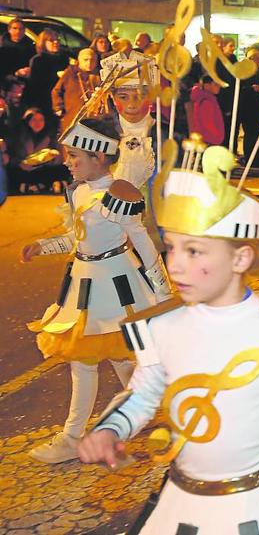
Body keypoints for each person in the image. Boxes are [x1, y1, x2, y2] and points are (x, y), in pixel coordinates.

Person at [78, 137, 259, 534]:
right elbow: (142, 394)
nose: (174, 265)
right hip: (183, 503)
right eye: (172, 248)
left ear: (240, 258)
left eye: (194, 252)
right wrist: (111, 428)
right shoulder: (163, 326)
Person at [22, 117, 170, 464]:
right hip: (84, 284)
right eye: (69, 156)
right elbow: (80, 239)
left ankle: (77, 435)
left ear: (100, 158)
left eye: (75, 156)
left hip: (117, 285)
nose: (68, 162)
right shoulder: (80, 191)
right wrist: (45, 245)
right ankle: (138, 407)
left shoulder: (117, 195)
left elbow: (142, 241)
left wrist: (163, 292)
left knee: (99, 360)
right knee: (109, 358)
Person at [99, 48, 160, 190]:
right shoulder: (102, 133)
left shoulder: (165, 133)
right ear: (113, 99)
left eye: (139, 96)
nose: (131, 105)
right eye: (123, 97)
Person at [6, 107, 69, 193]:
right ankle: (38, 185)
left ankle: (37, 185)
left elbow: (58, 157)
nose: (38, 123)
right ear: (27, 121)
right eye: (34, 120)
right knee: (13, 173)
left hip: (43, 168)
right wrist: (20, 163)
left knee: (61, 169)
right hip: (24, 170)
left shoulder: (50, 136)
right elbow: (10, 156)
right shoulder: (18, 136)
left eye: (41, 120)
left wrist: (53, 158)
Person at [51, 48, 101, 134]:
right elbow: (56, 91)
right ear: (80, 60)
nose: (89, 63)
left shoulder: (98, 76)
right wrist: (58, 108)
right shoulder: (70, 73)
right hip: (71, 116)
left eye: (92, 60)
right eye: (86, 60)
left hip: (92, 119)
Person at [22, 29, 69, 120]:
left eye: (57, 40)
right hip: (44, 101)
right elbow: (34, 85)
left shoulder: (64, 59)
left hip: (61, 101)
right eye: (51, 40)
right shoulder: (38, 60)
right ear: (43, 43)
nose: (56, 42)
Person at [188, 76, 225, 145]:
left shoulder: (205, 98)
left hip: (207, 139)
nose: (219, 86)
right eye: (216, 84)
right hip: (209, 140)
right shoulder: (206, 101)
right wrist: (217, 135)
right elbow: (208, 123)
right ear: (207, 86)